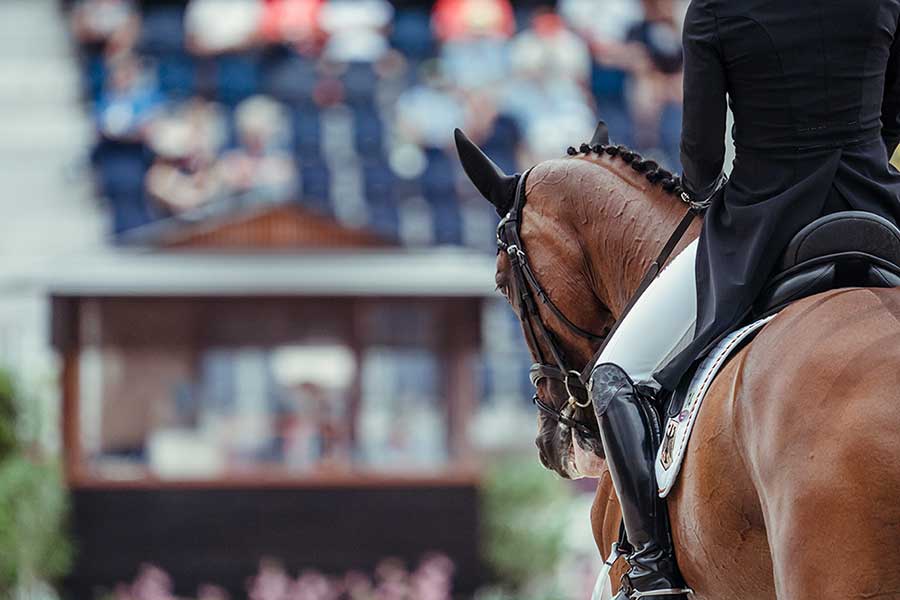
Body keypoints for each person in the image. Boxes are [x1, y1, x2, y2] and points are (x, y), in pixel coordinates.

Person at [586, 1, 900, 598]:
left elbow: (700, 159)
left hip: (763, 229)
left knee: (614, 375)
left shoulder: (717, 9)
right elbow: (893, 116)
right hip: (877, 208)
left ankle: (650, 570)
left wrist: (721, 189)